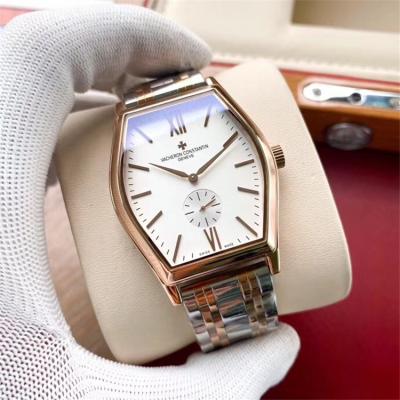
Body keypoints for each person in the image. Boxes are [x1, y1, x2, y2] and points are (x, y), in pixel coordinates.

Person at [0, 5, 299, 399]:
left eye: (195, 173)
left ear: (268, 159)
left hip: (251, 247)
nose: (193, 177)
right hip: (188, 270)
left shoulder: (237, 136)